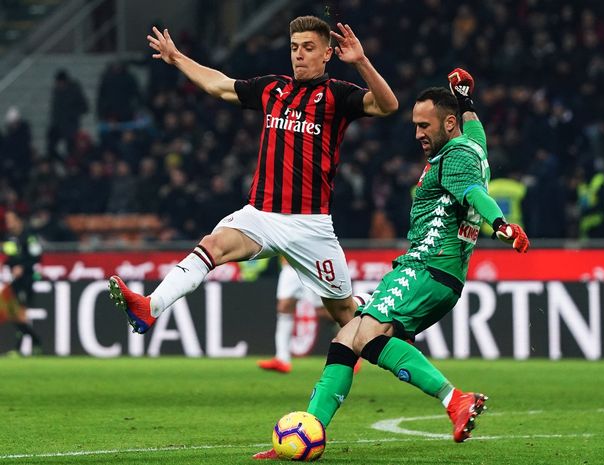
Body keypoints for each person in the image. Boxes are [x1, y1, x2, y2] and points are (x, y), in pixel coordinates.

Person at [254, 69, 530, 459]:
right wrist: (465, 98)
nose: (417, 133)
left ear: (448, 124)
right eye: (415, 125)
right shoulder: (474, 145)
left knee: (366, 338)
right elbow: (474, 126)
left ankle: (455, 399)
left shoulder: (453, 157)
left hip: (426, 266)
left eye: (424, 125)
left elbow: (472, 193)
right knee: (346, 338)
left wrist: (500, 224)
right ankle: (307, 431)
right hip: (435, 273)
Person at [108, 16, 398, 334]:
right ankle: (150, 307)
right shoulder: (273, 89)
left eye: (308, 47)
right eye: (294, 47)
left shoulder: (337, 96)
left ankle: (401, 339)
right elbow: (219, 85)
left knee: (347, 317)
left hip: (310, 225)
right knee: (212, 245)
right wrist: (177, 58)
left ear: (327, 53)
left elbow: (387, 105)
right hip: (261, 216)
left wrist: (361, 62)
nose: (299, 54)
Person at [257, 257, 325, 374]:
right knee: (284, 307)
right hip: (288, 266)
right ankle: (282, 359)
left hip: (308, 264)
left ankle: (351, 352)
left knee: (324, 310)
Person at [1, 210, 43, 355]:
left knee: (18, 314)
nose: (8, 223)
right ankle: (35, 343)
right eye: (7, 220)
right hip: (14, 281)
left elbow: (37, 257)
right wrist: (5, 263)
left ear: (19, 220)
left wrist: (23, 267)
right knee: (14, 314)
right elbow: (10, 256)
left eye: (11, 219)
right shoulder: (9, 237)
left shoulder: (29, 236)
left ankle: (26, 346)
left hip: (26, 280)